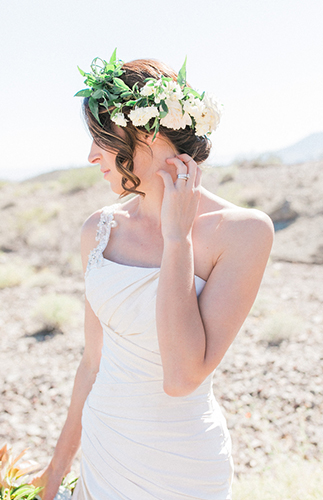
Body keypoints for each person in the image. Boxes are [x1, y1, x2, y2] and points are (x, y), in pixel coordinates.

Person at [33, 51, 274, 500]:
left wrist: (176, 238)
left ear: (146, 132)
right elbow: (92, 363)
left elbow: (182, 377)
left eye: (101, 138)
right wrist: (54, 473)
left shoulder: (242, 233)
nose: (90, 155)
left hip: (180, 468)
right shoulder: (99, 229)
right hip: (104, 454)